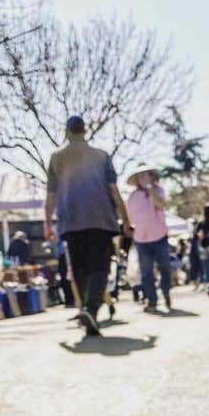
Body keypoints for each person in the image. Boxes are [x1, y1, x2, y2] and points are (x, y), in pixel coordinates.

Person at [44, 114, 132, 336]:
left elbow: (51, 195)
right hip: (100, 219)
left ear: (67, 131)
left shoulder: (56, 157)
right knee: (100, 267)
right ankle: (90, 309)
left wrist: (47, 223)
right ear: (85, 131)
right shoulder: (102, 156)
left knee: (80, 269)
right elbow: (113, 189)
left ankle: (86, 312)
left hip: (70, 221)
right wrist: (126, 219)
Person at [125, 163, 172, 313]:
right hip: (141, 239)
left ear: (152, 176)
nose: (143, 178)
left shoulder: (159, 191)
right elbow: (130, 218)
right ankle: (152, 299)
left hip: (160, 236)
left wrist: (151, 190)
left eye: (146, 174)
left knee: (165, 267)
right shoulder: (132, 197)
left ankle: (166, 292)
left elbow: (161, 205)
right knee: (146, 272)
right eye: (140, 176)